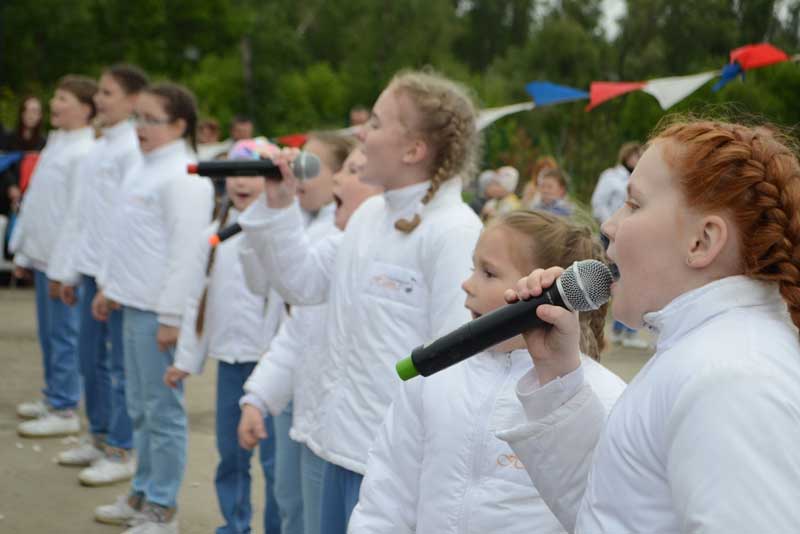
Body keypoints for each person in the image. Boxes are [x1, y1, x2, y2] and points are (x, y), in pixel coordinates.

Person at [499, 119, 800, 533]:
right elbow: (617, 513)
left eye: (635, 205)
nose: (609, 225)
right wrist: (556, 378)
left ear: (702, 242)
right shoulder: (706, 354)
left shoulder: (730, 377)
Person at [235, 69, 483, 533]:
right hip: (335, 448)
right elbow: (303, 284)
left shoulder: (454, 230)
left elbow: (456, 367)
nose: (361, 134)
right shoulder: (369, 215)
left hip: (390, 469)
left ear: (413, 150)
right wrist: (279, 204)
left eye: (375, 122)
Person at [348, 210, 626, 533]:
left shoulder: (602, 397)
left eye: (488, 273)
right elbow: (387, 496)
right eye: (472, 268)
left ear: (539, 288)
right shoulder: (435, 378)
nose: (467, 284)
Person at [238, 141, 379, 534]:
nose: (337, 178)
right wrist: (258, 397)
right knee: (292, 508)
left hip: (352, 438)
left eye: (354, 171)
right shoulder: (334, 246)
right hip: (311, 418)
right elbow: (297, 329)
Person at [92, 82, 214, 534]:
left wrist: (170, 319)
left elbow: (186, 256)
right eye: (137, 117)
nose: (139, 127)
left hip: (157, 315)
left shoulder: (183, 175)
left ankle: (163, 508)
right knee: (140, 406)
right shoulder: (144, 167)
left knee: (162, 412)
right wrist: (110, 287)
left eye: (150, 119)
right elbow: (124, 237)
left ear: (179, 125)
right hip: (132, 305)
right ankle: (142, 492)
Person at [160, 138, 285, 534]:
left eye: (252, 173)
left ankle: (279, 528)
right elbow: (199, 298)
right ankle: (234, 524)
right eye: (233, 172)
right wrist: (185, 360)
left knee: (275, 462)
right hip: (231, 362)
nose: (241, 182)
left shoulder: (282, 231)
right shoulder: (213, 235)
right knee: (230, 454)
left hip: (272, 367)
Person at [46, 65, 148, 486]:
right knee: (92, 362)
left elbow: (123, 222)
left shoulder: (132, 150)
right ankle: (99, 433)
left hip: (114, 276)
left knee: (118, 367)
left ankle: (122, 448)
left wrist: (111, 279)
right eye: (100, 93)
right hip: (89, 270)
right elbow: (83, 217)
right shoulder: (101, 146)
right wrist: (68, 271)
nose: (100, 101)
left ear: (132, 101)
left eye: (108, 93)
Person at [11, 75, 98, 437]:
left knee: (65, 334)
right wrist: (22, 249)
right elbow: (35, 201)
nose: (54, 105)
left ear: (85, 108)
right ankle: (53, 395)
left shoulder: (85, 151)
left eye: (63, 98)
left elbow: (77, 215)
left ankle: (64, 407)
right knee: (49, 334)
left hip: (64, 263)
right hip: (44, 257)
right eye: (55, 96)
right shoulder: (57, 143)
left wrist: (65, 268)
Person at [590, 142, 646, 348]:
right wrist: (614, 225)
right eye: (634, 154)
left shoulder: (642, 176)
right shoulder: (611, 176)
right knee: (613, 281)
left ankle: (627, 332)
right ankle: (615, 330)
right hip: (612, 234)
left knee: (630, 280)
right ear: (626, 156)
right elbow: (598, 203)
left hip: (633, 234)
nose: (637, 158)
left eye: (640, 155)